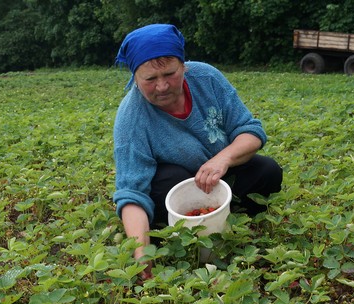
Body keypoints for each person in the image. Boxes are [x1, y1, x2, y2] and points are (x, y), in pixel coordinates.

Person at [112, 23, 283, 277]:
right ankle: (188, 231)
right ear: (134, 78)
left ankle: (224, 218)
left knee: (267, 171)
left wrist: (222, 159)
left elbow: (251, 131)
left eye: (170, 74)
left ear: (184, 65)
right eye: (150, 79)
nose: (162, 86)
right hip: (176, 189)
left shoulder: (207, 79)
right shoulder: (131, 118)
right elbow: (131, 193)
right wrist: (141, 255)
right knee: (171, 179)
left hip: (220, 176)